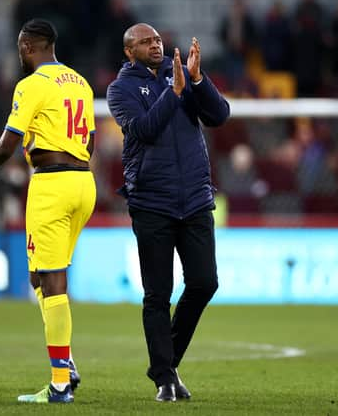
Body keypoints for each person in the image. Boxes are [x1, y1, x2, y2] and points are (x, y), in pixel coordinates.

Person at [106, 23, 230, 402]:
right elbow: (143, 130)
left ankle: (166, 363)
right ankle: (165, 379)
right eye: (145, 42)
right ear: (129, 52)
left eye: (157, 39)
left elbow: (219, 115)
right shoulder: (120, 90)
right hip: (152, 201)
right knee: (157, 294)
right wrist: (174, 93)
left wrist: (196, 80)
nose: (154, 45)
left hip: (194, 197)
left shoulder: (179, 76)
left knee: (205, 283)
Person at [0, 18, 96, 404]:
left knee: (53, 278)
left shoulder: (31, 85)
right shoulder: (80, 82)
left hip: (52, 184)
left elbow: (7, 143)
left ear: (28, 46)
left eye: (19, 48)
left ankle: (60, 384)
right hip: (83, 183)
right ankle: (68, 363)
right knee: (39, 276)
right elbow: (90, 140)